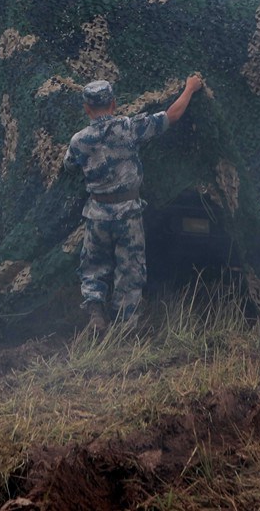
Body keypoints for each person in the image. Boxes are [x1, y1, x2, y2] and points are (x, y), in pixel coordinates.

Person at [63, 74, 205, 331]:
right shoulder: (129, 128)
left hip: (97, 214)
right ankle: (125, 327)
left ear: (86, 108)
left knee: (93, 267)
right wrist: (189, 89)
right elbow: (171, 116)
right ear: (114, 104)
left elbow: (69, 165)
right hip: (128, 213)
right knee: (130, 272)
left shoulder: (78, 141)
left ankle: (96, 314)